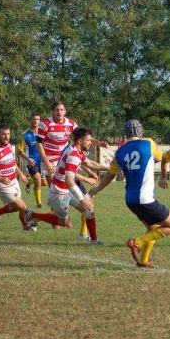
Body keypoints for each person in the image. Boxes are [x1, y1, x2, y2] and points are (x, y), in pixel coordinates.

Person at [90, 119, 170, 267]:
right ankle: (136, 243)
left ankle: (143, 261)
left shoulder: (119, 152)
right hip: (144, 199)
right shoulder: (148, 143)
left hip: (130, 200)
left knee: (153, 229)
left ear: (126, 134)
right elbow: (159, 158)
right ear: (140, 131)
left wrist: (98, 188)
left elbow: (110, 174)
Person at [25, 127, 109, 245]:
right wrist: (82, 198)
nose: (91, 143)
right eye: (89, 140)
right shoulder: (73, 155)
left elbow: (89, 163)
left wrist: (110, 169)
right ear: (80, 141)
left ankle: (94, 240)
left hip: (67, 189)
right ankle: (32, 215)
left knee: (89, 211)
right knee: (62, 222)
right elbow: (70, 181)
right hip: (59, 193)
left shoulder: (77, 150)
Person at [36, 100, 105, 237]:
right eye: (57, 110)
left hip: (66, 162)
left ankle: (85, 234)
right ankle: (56, 218)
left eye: (62, 110)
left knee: (87, 205)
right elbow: (39, 143)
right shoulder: (46, 124)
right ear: (53, 111)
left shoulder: (72, 127)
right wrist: (47, 162)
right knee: (63, 194)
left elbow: (83, 137)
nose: (59, 112)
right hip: (53, 163)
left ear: (65, 111)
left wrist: (99, 144)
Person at [0, 124, 36, 231]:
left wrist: (20, 173)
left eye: (8, 134)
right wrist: (0, 179)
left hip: (13, 182)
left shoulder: (9, 146)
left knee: (16, 207)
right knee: (23, 207)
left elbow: (12, 163)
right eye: (3, 134)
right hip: (3, 186)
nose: (6, 137)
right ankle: (28, 225)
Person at [17, 111, 45, 208]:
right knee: (38, 179)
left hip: (43, 161)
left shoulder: (43, 133)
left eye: (37, 119)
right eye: (34, 119)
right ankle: (39, 204)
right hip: (32, 161)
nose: (36, 121)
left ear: (40, 121)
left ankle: (29, 182)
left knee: (43, 182)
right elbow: (19, 150)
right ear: (30, 120)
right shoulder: (25, 134)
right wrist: (28, 158)